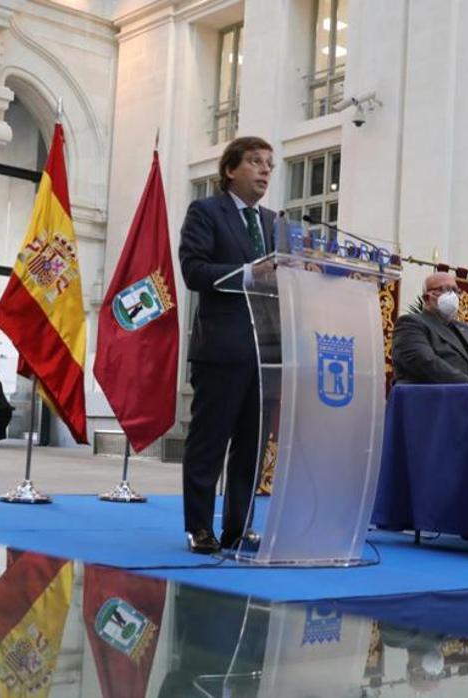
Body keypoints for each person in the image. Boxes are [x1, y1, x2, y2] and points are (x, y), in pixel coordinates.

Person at [178, 136, 277, 555]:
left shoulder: (273, 221)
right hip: (221, 350)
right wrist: (250, 274)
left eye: (270, 165)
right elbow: (193, 270)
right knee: (210, 443)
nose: (265, 171)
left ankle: (240, 528)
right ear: (230, 169)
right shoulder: (206, 212)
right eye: (255, 162)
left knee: (252, 449)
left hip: (267, 352)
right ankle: (199, 528)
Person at [392, 272, 468, 385]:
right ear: (427, 298)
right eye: (445, 289)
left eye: (455, 290)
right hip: (430, 397)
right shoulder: (411, 323)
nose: (452, 295)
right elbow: (424, 361)